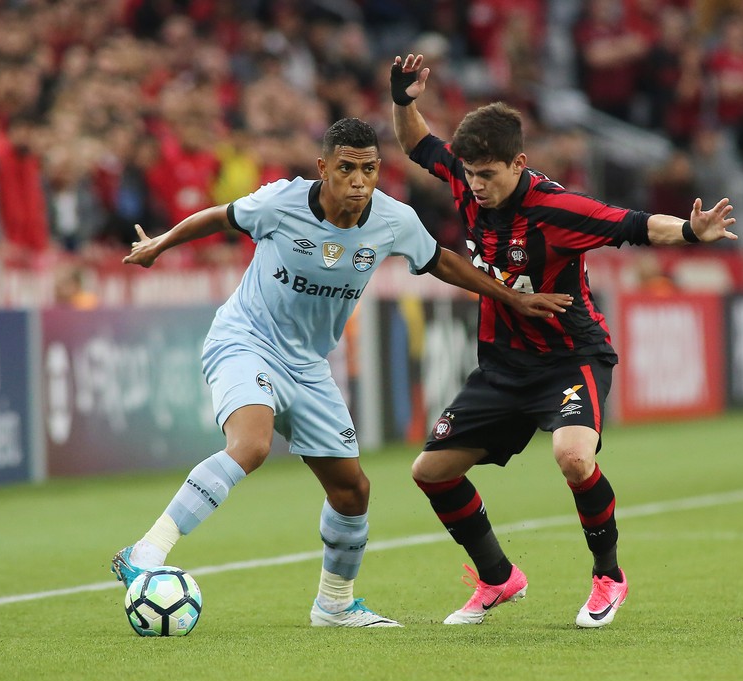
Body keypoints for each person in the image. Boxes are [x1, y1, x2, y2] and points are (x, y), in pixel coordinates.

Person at [110, 117, 570, 628]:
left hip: (308, 365)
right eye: (347, 168)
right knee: (252, 445)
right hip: (247, 340)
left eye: (369, 169)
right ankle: (146, 551)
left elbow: (439, 260)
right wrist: (160, 245)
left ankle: (334, 605)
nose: (359, 180)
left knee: (352, 491)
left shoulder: (393, 219)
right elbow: (220, 217)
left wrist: (512, 297)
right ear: (323, 167)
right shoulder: (281, 202)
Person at [390, 53, 738, 627]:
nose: (476, 185)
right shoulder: (465, 177)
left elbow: (633, 224)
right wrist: (403, 102)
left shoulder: (557, 209)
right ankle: (498, 577)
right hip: (503, 366)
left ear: (519, 163)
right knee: (430, 471)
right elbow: (416, 143)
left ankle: (609, 577)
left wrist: (690, 231)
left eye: (488, 175)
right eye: (470, 174)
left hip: (570, 359)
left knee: (573, 456)